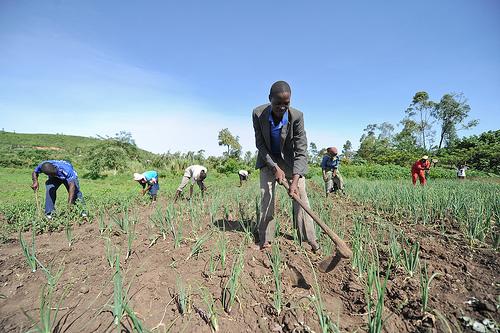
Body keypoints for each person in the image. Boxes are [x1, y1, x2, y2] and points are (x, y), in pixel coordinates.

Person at [252, 80, 319, 252]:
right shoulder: (258, 113)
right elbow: (260, 144)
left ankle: (308, 239)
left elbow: (301, 149)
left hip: (290, 161)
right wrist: (274, 167)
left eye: (286, 103)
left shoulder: (297, 116)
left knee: (301, 197)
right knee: (267, 196)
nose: (282, 107)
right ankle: (266, 238)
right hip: (268, 161)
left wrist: (295, 181)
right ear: (270, 99)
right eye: (278, 103)